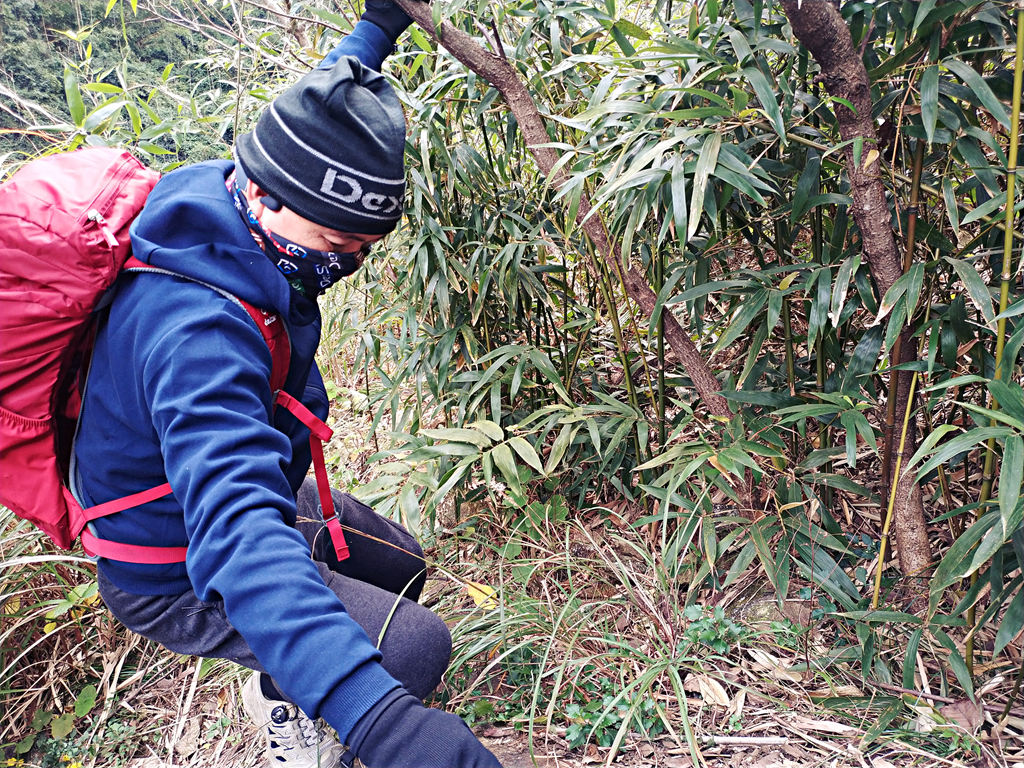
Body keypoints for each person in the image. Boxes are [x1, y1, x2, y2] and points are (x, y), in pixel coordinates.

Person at [70, 2, 502, 767]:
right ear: (266, 194)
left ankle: (289, 669)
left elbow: (324, 100)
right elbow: (239, 535)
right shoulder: (197, 337)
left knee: (401, 565)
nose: (345, 265)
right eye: (337, 244)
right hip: (171, 558)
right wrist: (386, 726)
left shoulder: (233, 192)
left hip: (249, 478)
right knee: (412, 649)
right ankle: (294, 713)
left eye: (365, 248)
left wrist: (378, 25)